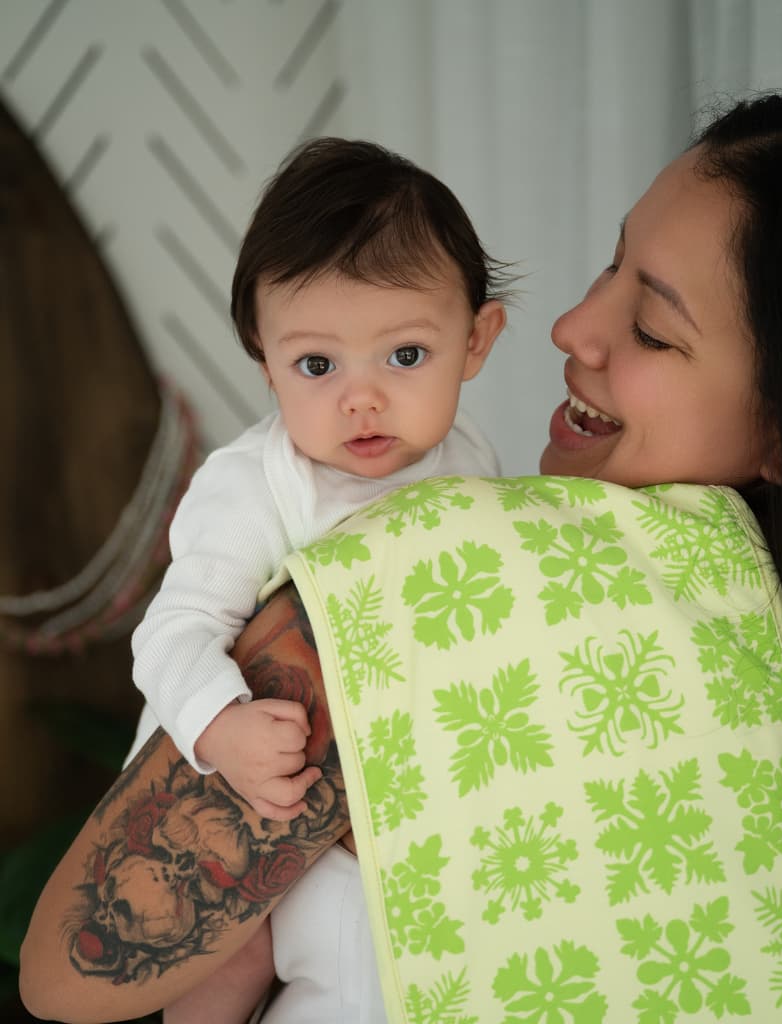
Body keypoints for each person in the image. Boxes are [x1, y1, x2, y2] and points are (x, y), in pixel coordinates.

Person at [19, 92, 782, 1024]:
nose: (571, 326)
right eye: (608, 264)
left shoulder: (427, 580)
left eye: (649, 328)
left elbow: (70, 966)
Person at [125, 137, 509, 1022]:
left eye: (405, 356)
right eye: (317, 366)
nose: (361, 399)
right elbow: (174, 629)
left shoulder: (469, 459)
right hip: (236, 785)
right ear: (265, 361)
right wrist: (221, 728)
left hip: (383, 772)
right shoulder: (256, 485)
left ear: (476, 341)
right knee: (228, 951)